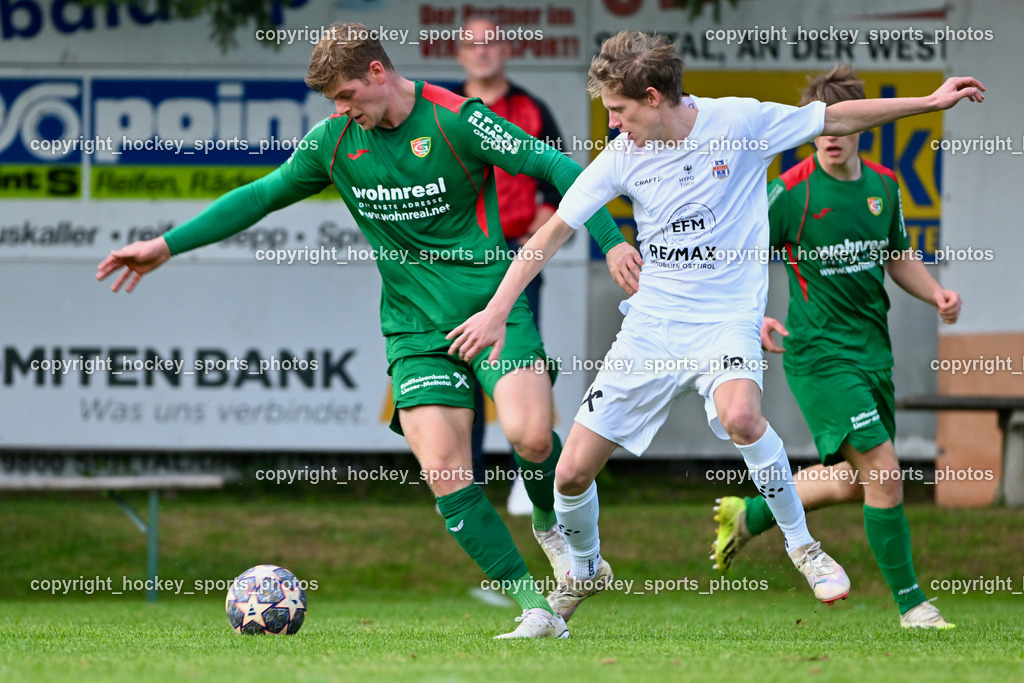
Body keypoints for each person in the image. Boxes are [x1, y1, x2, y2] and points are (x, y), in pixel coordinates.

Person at [95, 22, 640, 640]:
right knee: (446, 471)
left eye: (347, 96)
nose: (341, 111)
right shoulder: (334, 142)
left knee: (532, 436)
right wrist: (166, 245)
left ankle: (552, 528)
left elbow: (560, 167)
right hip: (412, 331)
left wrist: (613, 244)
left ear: (378, 74)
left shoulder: (457, 120)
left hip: (492, 309)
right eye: (333, 103)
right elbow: (260, 196)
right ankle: (534, 608)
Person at [447, 31, 983, 623]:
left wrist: (929, 105)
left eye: (620, 112)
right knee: (570, 473)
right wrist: (496, 310)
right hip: (651, 328)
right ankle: (586, 567)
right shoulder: (623, 156)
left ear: (652, 97)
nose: (615, 126)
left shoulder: (740, 123)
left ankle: (803, 547)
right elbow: (549, 236)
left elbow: (835, 114)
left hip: (726, 322)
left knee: (742, 417)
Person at [711, 64, 963, 629]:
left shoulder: (882, 186)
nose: (829, 136)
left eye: (839, 126)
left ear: (859, 127)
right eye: (820, 127)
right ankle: (913, 606)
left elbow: (896, 254)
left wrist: (936, 293)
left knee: (860, 481)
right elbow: (737, 258)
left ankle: (750, 513)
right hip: (818, 354)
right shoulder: (790, 191)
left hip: (873, 352)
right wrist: (749, 321)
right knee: (887, 472)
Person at [454, 17, 564, 515]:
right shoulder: (443, 109)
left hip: (517, 265)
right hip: (457, 265)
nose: (482, 52)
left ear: (506, 50)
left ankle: (531, 480)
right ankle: (468, 482)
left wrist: (526, 247)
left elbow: (559, 188)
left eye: (490, 42)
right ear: (459, 53)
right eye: (472, 44)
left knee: (520, 367)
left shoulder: (530, 109)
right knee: (462, 368)